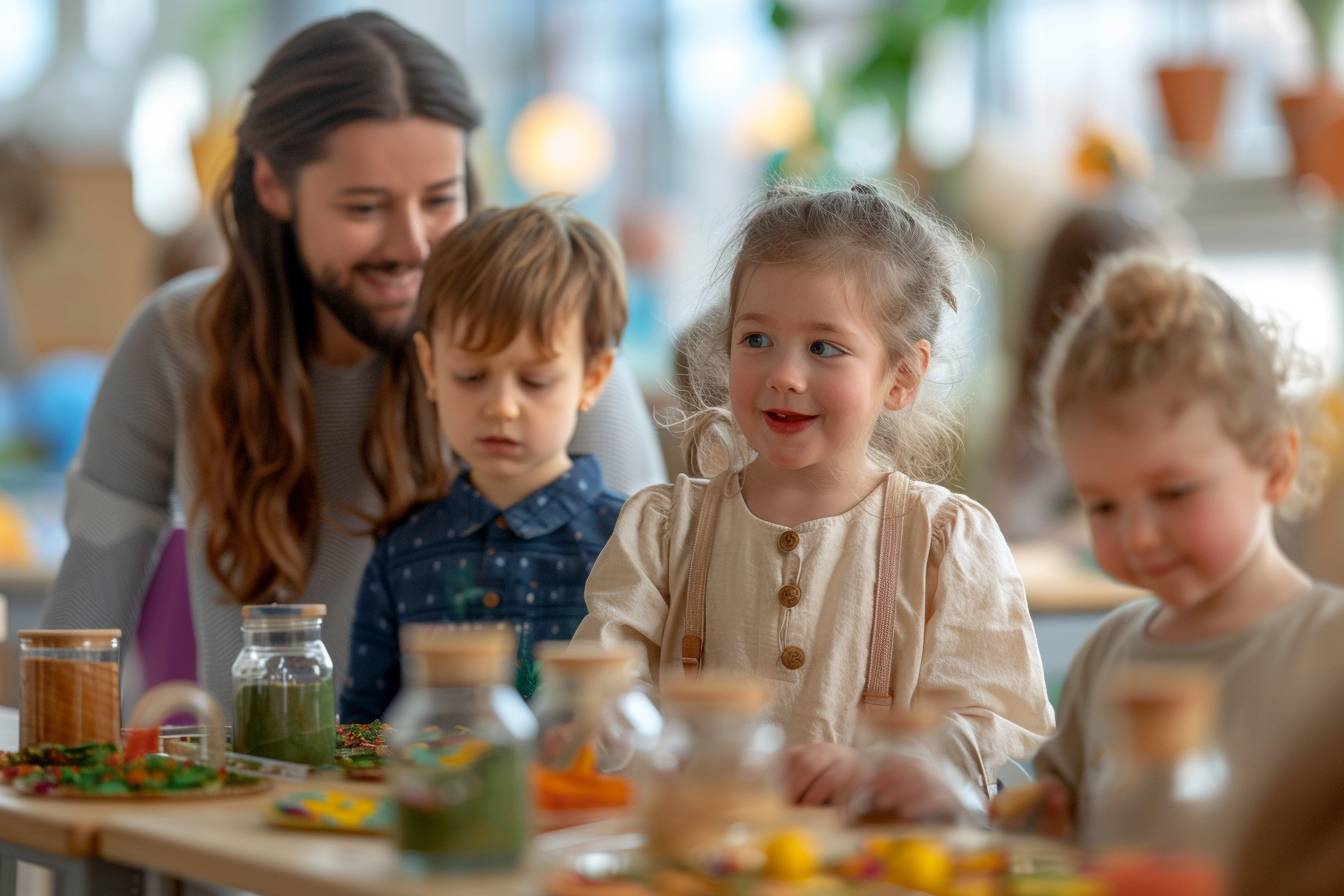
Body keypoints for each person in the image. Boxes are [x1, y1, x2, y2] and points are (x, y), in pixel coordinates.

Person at [41, 11, 665, 713]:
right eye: (366, 206)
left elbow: (648, 613)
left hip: (474, 794)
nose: (413, 246)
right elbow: (83, 625)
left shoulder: (550, 352)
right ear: (273, 185)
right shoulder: (176, 341)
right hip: (248, 805)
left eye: (439, 200)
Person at [574, 182, 1054, 811]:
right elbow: (602, 692)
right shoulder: (664, 529)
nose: (784, 374)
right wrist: (638, 737)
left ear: (902, 377)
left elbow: (992, 722)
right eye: (756, 340)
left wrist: (879, 766)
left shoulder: (945, 540)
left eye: (824, 348)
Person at [999, 253, 1344, 840]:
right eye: (1102, 506)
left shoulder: (1330, 651)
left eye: (1175, 492)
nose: (1137, 535)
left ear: (1276, 465)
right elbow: (1053, 837)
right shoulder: (1105, 655)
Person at [340, 198, 628, 721]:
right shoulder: (403, 551)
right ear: (430, 367)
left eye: (536, 380)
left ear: (592, 378)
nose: (501, 406)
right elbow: (362, 729)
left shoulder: (632, 542)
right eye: (471, 376)